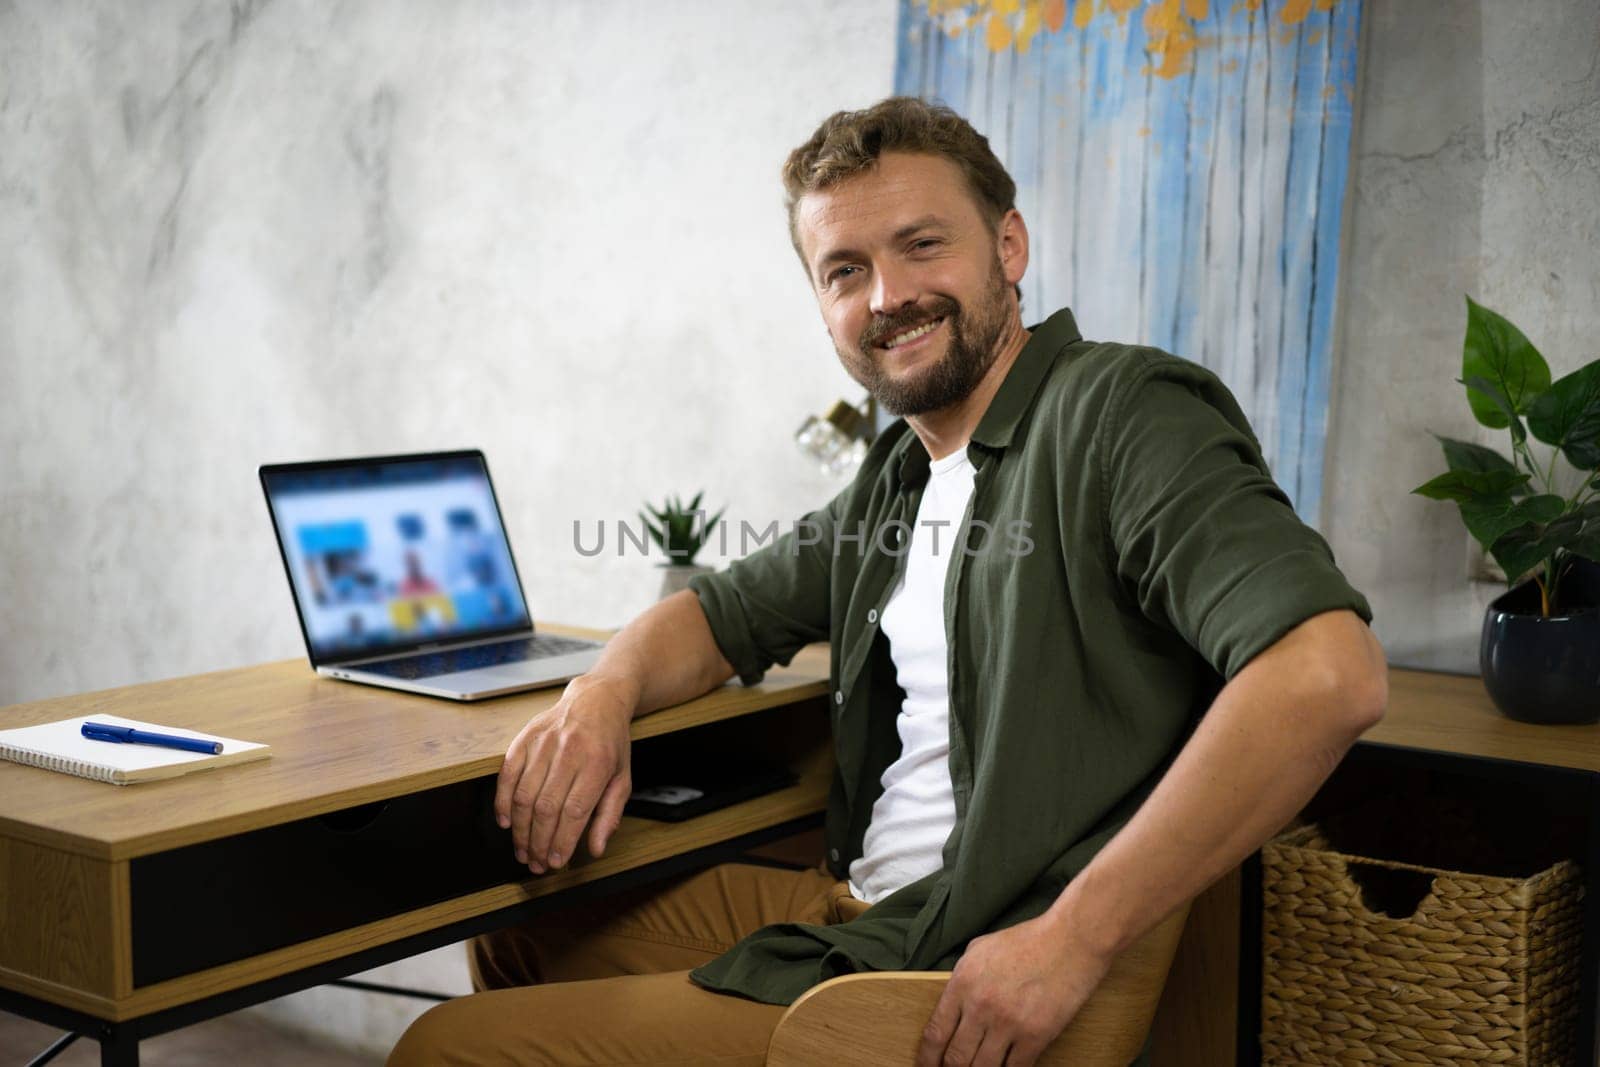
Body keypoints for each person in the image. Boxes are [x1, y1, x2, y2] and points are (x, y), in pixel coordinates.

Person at [389, 96, 1386, 1067]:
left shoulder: (1123, 413)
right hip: (862, 911)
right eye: (844, 270)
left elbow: (1326, 671)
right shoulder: (901, 476)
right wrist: (597, 693)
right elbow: (717, 614)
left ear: (1009, 248)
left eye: (921, 245)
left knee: (444, 1045)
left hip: (971, 956)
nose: (885, 297)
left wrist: (1075, 936)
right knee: (518, 934)